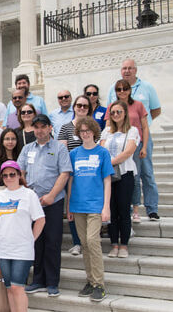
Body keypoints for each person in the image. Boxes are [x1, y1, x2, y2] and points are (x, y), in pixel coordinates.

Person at [18, 114, 72, 297]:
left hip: (52, 202)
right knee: (36, 242)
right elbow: (20, 172)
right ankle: (37, 280)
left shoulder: (59, 148)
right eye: (36, 127)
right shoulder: (27, 149)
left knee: (52, 242)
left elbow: (64, 174)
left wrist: (51, 195)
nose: (39, 130)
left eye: (43, 127)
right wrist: (27, 191)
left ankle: (52, 282)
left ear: (50, 128)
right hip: (32, 204)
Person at [107, 59, 161, 222]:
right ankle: (129, 207)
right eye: (124, 68)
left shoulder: (146, 88)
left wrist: (143, 139)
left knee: (147, 173)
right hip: (121, 142)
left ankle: (152, 209)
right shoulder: (112, 89)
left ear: (136, 70)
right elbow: (111, 115)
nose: (127, 71)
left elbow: (155, 110)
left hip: (140, 140)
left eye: (130, 68)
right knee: (128, 175)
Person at [67, 117, 113, 302]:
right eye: (82, 131)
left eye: (88, 130)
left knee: (92, 241)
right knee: (84, 244)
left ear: (94, 131)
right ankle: (90, 280)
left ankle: (99, 284)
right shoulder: (74, 153)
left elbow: (107, 180)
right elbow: (70, 180)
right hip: (78, 205)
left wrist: (106, 206)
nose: (85, 133)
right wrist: (69, 205)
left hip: (95, 205)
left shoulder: (102, 153)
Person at [0, 161, 45, 312]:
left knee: (17, 287)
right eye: (5, 175)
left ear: (19, 175)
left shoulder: (29, 194)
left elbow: (40, 220)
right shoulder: (0, 195)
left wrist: (31, 239)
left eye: (12, 174)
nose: (9, 178)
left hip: (22, 249)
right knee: (9, 287)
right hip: (3, 249)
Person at [101, 100, 139, 258]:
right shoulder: (106, 132)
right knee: (111, 210)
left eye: (119, 112)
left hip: (125, 174)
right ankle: (114, 244)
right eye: (113, 112)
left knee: (123, 210)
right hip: (109, 176)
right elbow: (102, 149)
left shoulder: (132, 131)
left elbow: (129, 151)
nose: (116, 115)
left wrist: (110, 163)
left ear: (125, 114)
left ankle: (124, 245)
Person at [58, 95, 93, 256]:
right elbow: (62, 151)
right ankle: (77, 242)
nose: (82, 108)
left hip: (89, 173)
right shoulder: (66, 127)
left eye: (85, 106)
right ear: (74, 107)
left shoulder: (94, 126)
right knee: (72, 206)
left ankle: (89, 239)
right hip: (72, 173)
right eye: (79, 105)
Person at [0, 128, 20, 202]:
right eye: (7, 139)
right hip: (1, 195)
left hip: (18, 194)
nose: (10, 142)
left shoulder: (20, 158)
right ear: (2, 141)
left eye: (13, 139)